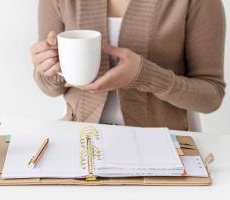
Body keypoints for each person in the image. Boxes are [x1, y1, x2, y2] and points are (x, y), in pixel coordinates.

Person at [30, 0, 226, 131]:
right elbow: (49, 87)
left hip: (164, 146)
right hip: (80, 141)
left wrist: (145, 76)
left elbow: (211, 96)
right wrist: (51, 68)